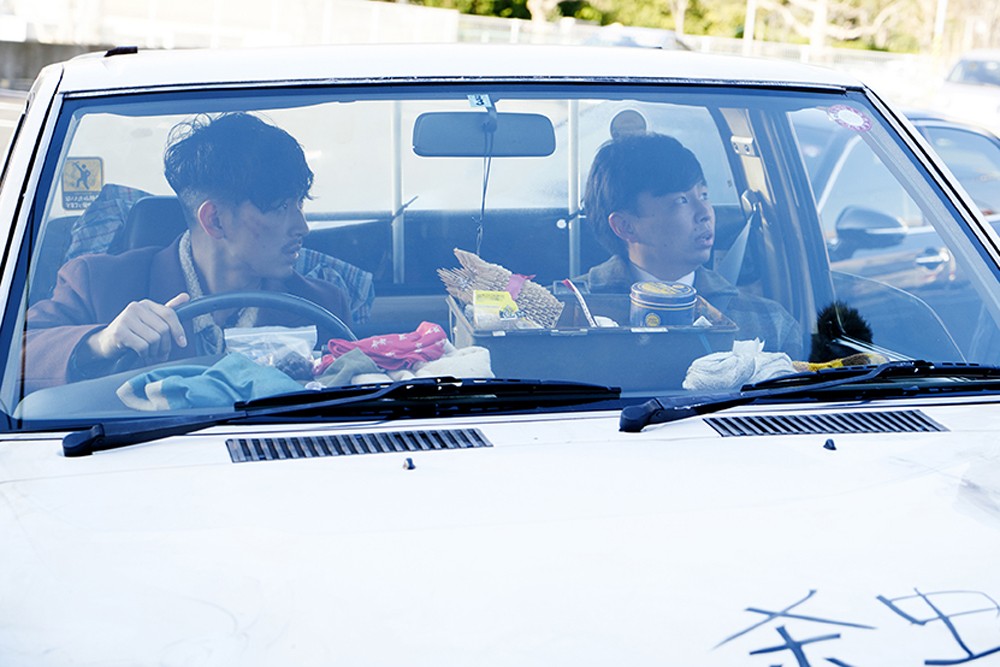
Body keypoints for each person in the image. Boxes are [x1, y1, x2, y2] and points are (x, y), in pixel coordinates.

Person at [23, 112, 352, 393]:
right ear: (215, 220)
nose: (302, 227)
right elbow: (16, 354)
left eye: (299, 204)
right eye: (280, 208)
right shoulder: (99, 284)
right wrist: (100, 342)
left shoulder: (321, 306)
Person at [580, 132, 802, 358]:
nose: (705, 213)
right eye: (681, 200)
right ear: (625, 226)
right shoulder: (572, 313)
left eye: (704, 195)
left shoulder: (770, 325)